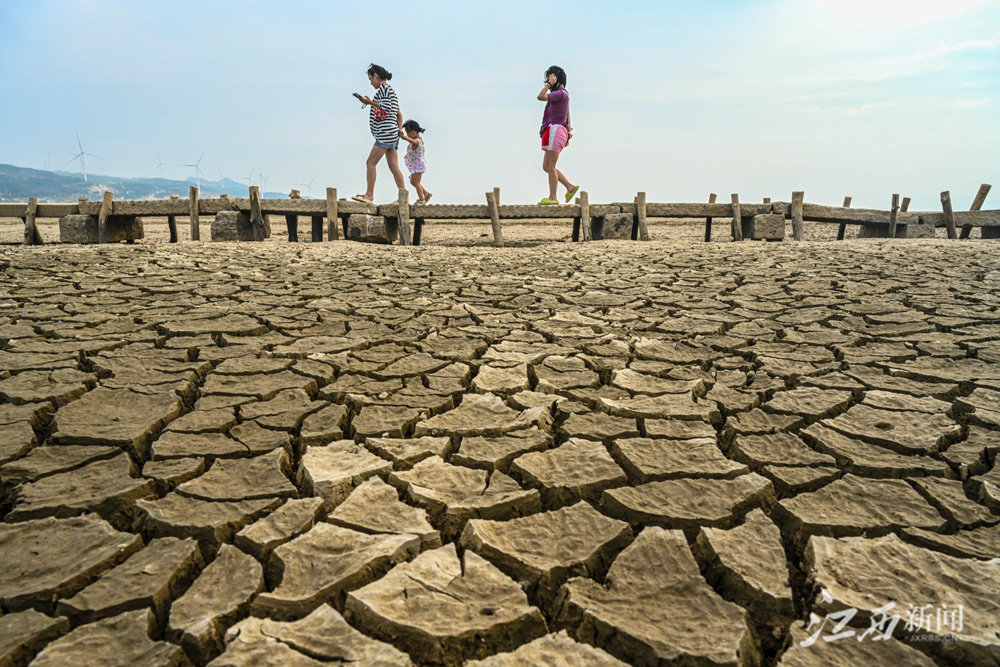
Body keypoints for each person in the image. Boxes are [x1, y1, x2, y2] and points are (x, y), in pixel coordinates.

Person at [353, 64, 405, 202]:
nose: (370, 82)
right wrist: (398, 130)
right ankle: (403, 196)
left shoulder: (386, 89)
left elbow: (386, 107)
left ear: (376, 76)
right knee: (394, 167)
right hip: (391, 134)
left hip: (385, 133)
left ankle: (369, 195)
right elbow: (399, 113)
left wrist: (369, 102)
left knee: (370, 163)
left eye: (370, 79)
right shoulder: (386, 91)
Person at [537, 65, 579, 205]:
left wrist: (549, 84)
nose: (548, 83)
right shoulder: (562, 95)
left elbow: (541, 97)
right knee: (547, 166)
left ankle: (553, 197)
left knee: (550, 166)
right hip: (554, 130)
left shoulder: (561, 93)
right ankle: (570, 187)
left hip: (556, 130)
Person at [400, 120, 432, 204]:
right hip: (416, 165)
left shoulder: (417, 141)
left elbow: (414, 142)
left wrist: (404, 138)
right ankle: (426, 194)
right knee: (413, 182)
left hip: (418, 166)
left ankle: (422, 200)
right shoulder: (417, 140)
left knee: (416, 183)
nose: (407, 135)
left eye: (408, 133)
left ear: (413, 133)